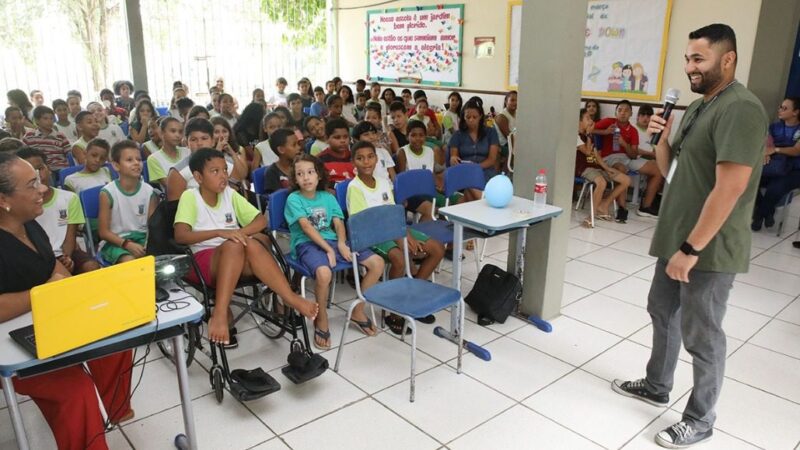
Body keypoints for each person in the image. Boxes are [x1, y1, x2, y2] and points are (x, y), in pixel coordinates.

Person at [612, 23, 768, 449]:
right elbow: (672, 171)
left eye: (698, 58)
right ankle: (657, 384)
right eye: (687, 58)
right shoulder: (702, 106)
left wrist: (691, 248)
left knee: (703, 332)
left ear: (728, 59)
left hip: (708, 249)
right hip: (679, 237)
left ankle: (700, 419)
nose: (689, 67)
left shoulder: (740, 109)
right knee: (661, 310)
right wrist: (660, 138)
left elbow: (730, 187)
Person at [0, 152, 133, 450]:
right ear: (2, 200)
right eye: (32, 184)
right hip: (10, 343)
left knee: (117, 343)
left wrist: (86, 292)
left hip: (50, 319)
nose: (43, 189)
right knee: (76, 390)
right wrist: (42, 293)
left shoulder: (30, 225)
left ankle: (114, 410)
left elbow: (53, 267)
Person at [174, 148, 318, 346]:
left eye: (225, 170)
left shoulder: (230, 194)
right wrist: (220, 233)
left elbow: (260, 221)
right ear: (198, 177)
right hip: (203, 259)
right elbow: (181, 235)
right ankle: (221, 312)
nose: (223, 175)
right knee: (236, 244)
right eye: (215, 171)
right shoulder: (190, 197)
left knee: (247, 242)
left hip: (235, 255)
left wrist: (240, 233)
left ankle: (288, 298)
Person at [285, 154, 383, 349]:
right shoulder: (293, 199)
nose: (306, 177)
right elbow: (306, 228)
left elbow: (338, 222)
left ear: (319, 175)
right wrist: (328, 249)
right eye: (300, 174)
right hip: (306, 244)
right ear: (295, 179)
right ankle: (321, 318)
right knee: (324, 273)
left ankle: (358, 309)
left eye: (310, 172)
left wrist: (340, 243)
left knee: (377, 263)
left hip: (332, 241)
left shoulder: (328, 197)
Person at [347, 140, 443, 333]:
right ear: (353, 162)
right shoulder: (354, 187)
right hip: (369, 234)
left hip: (392, 228)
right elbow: (365, 222)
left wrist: (405, 233)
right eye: (360, 158)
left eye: (370, 156)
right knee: (399, 259)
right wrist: (400, 238)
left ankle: (412, 298)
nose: (366, 162)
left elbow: (393, 214)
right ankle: (394, 313)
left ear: (377, 159)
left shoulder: (383, 183)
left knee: (437, 249)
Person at [18, 147, 100, 274]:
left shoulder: (69, 198)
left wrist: (67, 257)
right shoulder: (21, 206)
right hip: (39, 257)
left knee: (91, 267)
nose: (38, 176)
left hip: (66, 251)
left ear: (49, 169)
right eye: (31, 173)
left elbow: (70, 236)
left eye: (40, 169)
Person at [593, 99, 663, 221]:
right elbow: (589, 129)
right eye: (620, 110)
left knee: (657, 169)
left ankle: (646, 207)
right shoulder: (609, 121)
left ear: (631, 113)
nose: (623, 113)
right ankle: (622, 208)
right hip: (609, 158)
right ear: (616, 113)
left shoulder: (633, 130)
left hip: (627, 157)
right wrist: (605, 131)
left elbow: (633, 155)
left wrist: (624, 144)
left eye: (626, 110)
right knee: (621, 168)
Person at [98, 140, 157, 264]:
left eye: (139, 159)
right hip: (116, 242)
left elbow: (153, 226)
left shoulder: (149, 191)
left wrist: (147, 244)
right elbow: (103, 232)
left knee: (157, 260)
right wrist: (127, 244)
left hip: (142, 239)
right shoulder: (107, 193)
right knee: (131, 262)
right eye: (129, 160)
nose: (136, 163)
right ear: (116, 165)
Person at [166, 118, 248, 202]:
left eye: (204, 138)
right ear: (186, 143)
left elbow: (240, 191)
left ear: (213, 141)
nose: (199, 143)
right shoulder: (178, 173)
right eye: (193, 140)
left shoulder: (226, 164)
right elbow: (174, 209)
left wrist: (232, 153)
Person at [575, 108, 630, 226]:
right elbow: (588, 152)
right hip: (583, 169)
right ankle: (591, 216)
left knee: (626, 180)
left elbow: (596, 156)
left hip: (595, 167)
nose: (590, 121)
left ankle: (604, 205)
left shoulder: (590, 135)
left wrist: (607, 168)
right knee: (601, 182)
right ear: (579, 121)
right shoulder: (576, 136)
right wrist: (589, 134)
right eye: (587, 118)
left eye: (591, 118)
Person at [751, 97, 800, 230]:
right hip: (775, 166)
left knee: (775, 188)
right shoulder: (774, 127)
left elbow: (796, 151)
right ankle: (768, 211)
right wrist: (765, 153)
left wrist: (775, 150)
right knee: (749, 181)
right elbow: (765, 145)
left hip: (795, 170)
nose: (780, 110)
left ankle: (758, 216)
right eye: (780, 107)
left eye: (785, 108)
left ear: (795, 112)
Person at [448, 99, 501, 183]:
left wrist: (476, 167)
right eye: (468, 117)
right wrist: (453, 159)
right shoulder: (457, 135)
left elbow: (492, 159)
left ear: (480, 116)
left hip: (486, 171)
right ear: (463, 118)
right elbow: (454, 156)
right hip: (465, 172)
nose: (471, 120)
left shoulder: (490, 132)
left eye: (474, 117)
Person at [396, 120, 436, 221]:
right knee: (432, 210)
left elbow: (431, 174)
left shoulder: (430, 151)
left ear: (425, 136)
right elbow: (401, 180)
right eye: (413, 135)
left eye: (421, 135)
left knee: (451, 205)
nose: (417, 138)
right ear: (407, 137)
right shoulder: (402, 152)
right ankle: (419, 235)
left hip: (427, 191)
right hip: (410, 193)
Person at [22, 106, 72, 172]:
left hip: (60, 168)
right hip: (40, 169)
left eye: (51, 118)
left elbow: (69, 153)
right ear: (37, 120)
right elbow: (24, 156)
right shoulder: (29, 137)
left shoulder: (60, 136)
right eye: (45, 118)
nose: (49, 121)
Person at [146, 117, 190, 188]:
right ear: (161, 133)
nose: (177, 135)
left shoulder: (188, 152)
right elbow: (170, 186)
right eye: (173, 131)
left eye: (180, 132)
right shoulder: (153, 159)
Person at [317, 118, 355, 186]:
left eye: (345, 137)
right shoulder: (320, 160)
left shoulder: (355, 157)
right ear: (326, 138)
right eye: (337, 137)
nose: (342, 141)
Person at [263, 128, 300, 195]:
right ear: (281, 150)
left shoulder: (303, 165)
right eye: (294, 145)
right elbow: (277, 199)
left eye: (298, 143)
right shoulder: (271, 172)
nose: (299, 147)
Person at [494, 91, 517, 171]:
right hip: (504, 146)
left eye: (517, 100)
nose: (515, 103)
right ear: (506, 101)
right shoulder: (502, 117)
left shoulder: (517, 114)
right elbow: (509, 138)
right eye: (512, 100)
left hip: (514, 143)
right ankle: (506, 175)